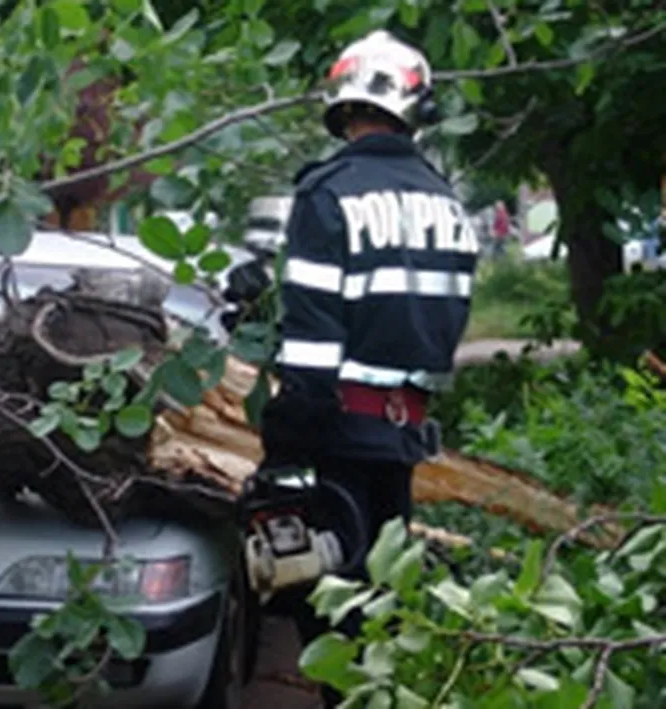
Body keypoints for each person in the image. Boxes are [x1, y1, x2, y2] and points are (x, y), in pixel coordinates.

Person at [243, 30, 478, 707]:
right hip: (403, 436)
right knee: (385, 607)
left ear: (344, 109)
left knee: (331, 616)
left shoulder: (328, 193)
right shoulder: (445, 201)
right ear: (415, 108)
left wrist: (281, 448)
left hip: (337, 437)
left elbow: (314, 352)